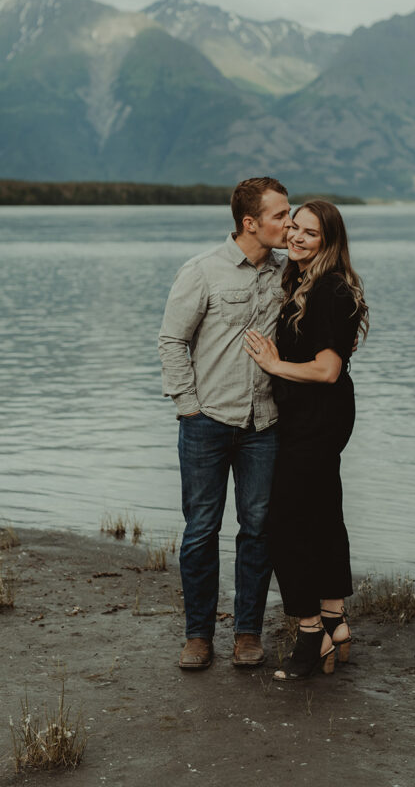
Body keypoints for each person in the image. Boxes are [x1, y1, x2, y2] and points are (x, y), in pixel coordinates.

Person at [158, 177, 292, 671]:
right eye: (280, 215)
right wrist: (189, 406)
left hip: (265, 426)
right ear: (249, 222)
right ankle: (197, 635)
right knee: (200, 531)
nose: (290, 222)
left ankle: (247, 633)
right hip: (207, 423)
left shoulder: (287, 275)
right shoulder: (202, 271)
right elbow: (172, 340)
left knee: (257, 530)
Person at [244, 199, 368, 680]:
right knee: (321, 513)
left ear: (329, 243)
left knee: (284, 524)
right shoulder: (304, 282)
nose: (295, 237)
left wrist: (275, 366)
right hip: (311, 417)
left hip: (317, 419)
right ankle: (335, 620)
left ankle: (311, 633)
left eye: (309, 233)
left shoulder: (330, 291)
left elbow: (328, 368)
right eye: (293, 226)